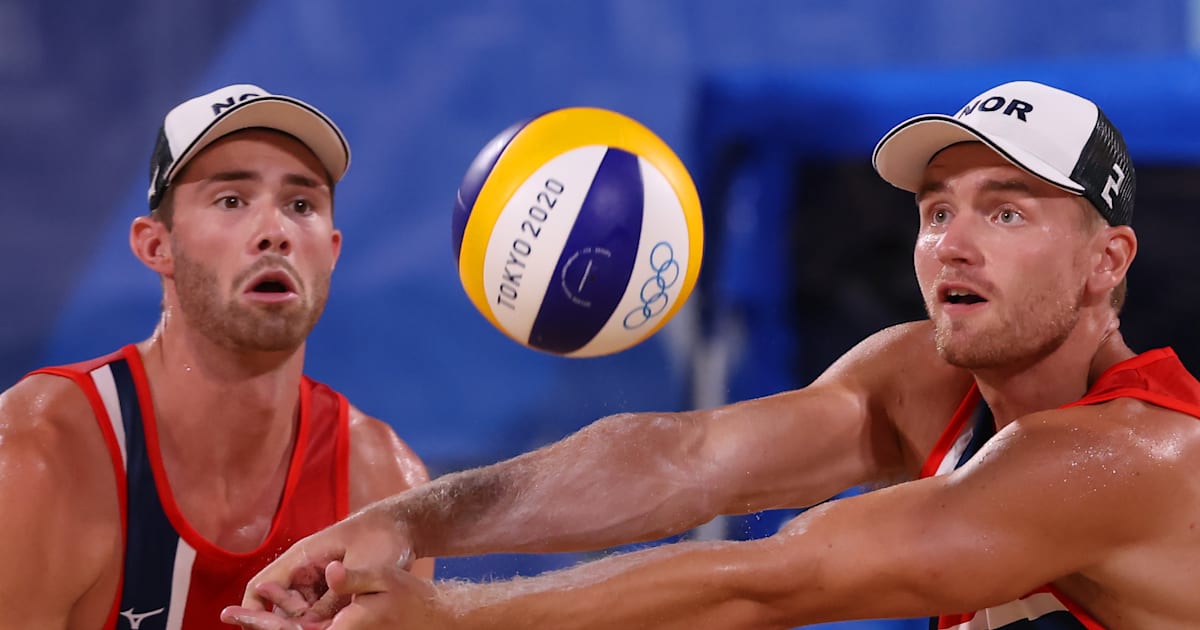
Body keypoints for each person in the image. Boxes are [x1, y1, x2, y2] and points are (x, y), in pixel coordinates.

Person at [223, 80, 1200, 629]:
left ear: (1105, 263)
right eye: (936, 209)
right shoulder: (921, 379)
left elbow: (779, 579)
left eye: (1006, 209)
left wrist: (455, 622)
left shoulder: (1131, 454)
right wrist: (410, 521)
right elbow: (684, 462)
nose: (953, 239)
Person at [0, 84, 434, 629]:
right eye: (232, 200)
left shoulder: (383, 486)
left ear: (332, 250)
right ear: (157, 246)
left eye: (302, 205)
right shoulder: (38, 458)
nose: (274, 231)